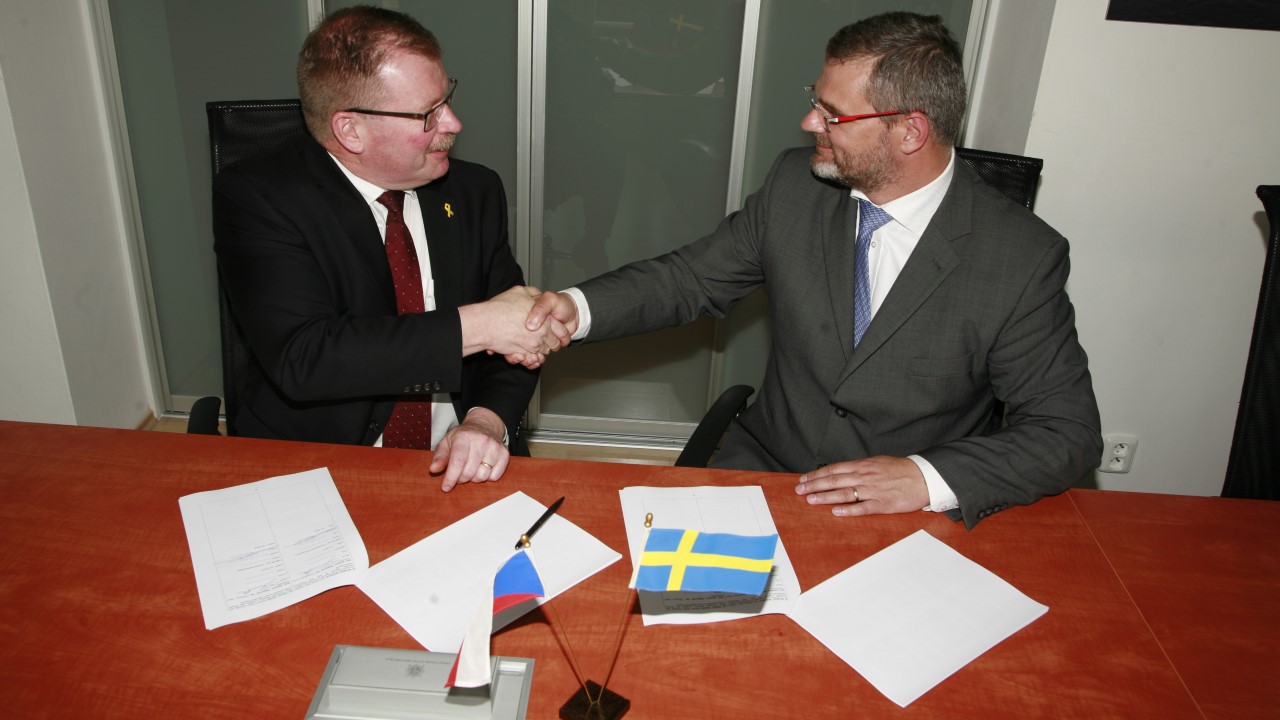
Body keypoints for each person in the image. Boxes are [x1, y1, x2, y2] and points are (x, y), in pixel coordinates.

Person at [520, 12, 1102, 528]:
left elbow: (1066, 435)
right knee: (695, 627)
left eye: (833, 114)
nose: (808, 123)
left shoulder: (1021, 257)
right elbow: (689, 279)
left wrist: (925, 478)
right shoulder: (796, 188)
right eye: (815, 100)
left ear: (910, 131)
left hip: (905, 511)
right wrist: (574, 308)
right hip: (767, 468)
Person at [213, 6, 564, 491]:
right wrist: (479, 324)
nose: (454, 123)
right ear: (350, 130)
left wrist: (484, 422)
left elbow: (516, 336)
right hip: (319, 461)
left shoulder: (474, 191)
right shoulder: (259, 198)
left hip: (462, 449)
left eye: (447, 99)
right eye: (428, 113)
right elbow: (306, 358)